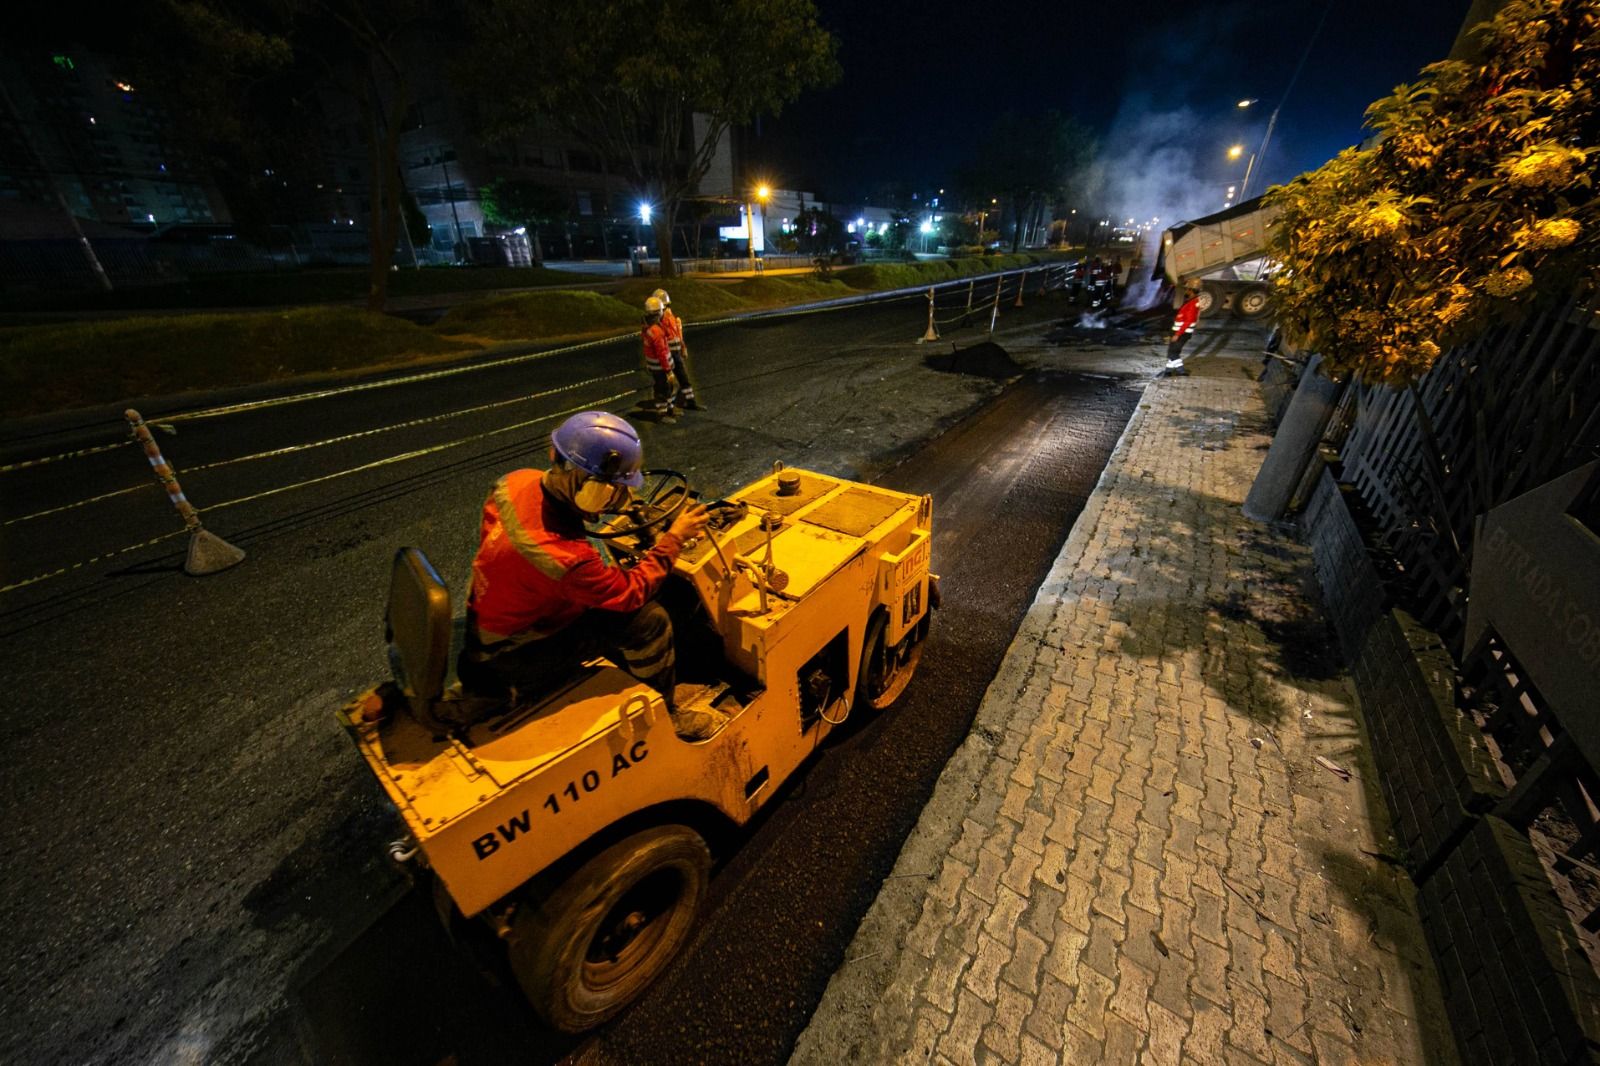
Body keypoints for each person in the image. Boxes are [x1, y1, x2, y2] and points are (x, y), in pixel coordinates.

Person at [456, 411, 723, 739]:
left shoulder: (515, 481)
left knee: (601, 595)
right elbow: (631, 592)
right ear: (592, 489)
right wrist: (674, 540)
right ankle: (666, 717)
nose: (616, 499)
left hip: (491, 622)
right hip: (512, 656)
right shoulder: (564, 559)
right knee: (649, 621)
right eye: (612, 490)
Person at [652, 288, 705, 412]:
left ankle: (691, 402)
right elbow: (661, 343)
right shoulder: (658, 323)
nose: (667, 309)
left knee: (684, 379)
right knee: (668, 384)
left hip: (676, 354)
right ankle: (668, 409)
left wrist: (683, 347)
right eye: (664, 308)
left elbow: (677, 334)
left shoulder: (671, 317)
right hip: (667, 356)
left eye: (667, 306)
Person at [641, 296, 679, 423]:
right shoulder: (656, 332)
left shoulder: (648, 328)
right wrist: (668, 371)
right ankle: (663, 414)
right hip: (661, 368)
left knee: (664, 388)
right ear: (659, 312)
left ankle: (669, 409)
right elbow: (661, 353)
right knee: (663, 390)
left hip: (655, 367)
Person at [1165, 285, 1201, 376]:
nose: (1186, 291)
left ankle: (1181, 371)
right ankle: (1168, 371)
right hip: (1180, 332)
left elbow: (1188, 321)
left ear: (1191, 291)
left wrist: (1177, 334)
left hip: (1182, 333)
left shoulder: (1192, 304)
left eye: (1187, 289)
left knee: (1173, 353)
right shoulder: (1191, 302)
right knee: (1172, 351)